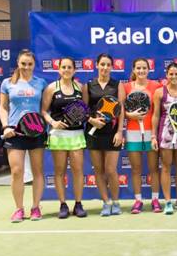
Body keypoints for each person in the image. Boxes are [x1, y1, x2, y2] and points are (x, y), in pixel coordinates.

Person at [0, 50, 48, 222]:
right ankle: (19, 209)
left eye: (30, 64)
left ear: (34, 65)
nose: (26, 67)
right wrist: (6, 127)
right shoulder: (7, 83)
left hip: (36, 132)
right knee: (17, 172)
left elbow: (44, 109)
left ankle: (36, 207)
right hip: (14, 132)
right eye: (23, 64)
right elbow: (3, 107)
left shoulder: (41, 83)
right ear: (18, 64)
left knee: (37, 171)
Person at [41, 57, 87, 218]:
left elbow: (85, 111)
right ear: (59, 69)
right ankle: (63, 204)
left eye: (70, 67)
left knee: (78, 171)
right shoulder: (51, 88)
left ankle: (78, 204)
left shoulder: (80, 88)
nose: (66, 70)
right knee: (59, 171)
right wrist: (53, 122)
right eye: (64, 67)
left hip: (77, 135)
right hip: (58, 136)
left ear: (74, 70)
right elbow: (44, 111)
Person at [83, 53, 125, 216]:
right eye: (102, 64)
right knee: (99, 170)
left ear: (112, 67)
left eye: (108, 65)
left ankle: (115, 202)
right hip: (93, 133)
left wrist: (120, 131)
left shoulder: (117, 85)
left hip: (112, 133)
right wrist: (91, 120)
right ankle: (106, 202)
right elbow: (84, 109)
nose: (105, 67)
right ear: (97, 65)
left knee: (111, 170)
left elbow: (120, 110)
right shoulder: (88, 86)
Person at [151, 62, 177, 215]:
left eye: (176, 74)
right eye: (171, 74)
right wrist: (154, 136)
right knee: (166, 167)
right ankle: (167, 201)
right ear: (166, 75)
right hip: (166, 135)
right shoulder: (159, 93)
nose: (174, 76)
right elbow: (155, 116)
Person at [123, 58, 162, 214]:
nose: (141, 71)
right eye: (138, 68)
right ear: (133, 69)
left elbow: (158, 112)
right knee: (136, 169)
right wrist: (129, 115)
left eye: (144, 68)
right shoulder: (125, 87)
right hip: (132, 133)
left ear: (148, 69)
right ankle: (138, 201)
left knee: (154, 168)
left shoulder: (156, 86)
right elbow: (121, 111)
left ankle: (155, 200)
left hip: (151, 132)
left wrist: (153, 134)